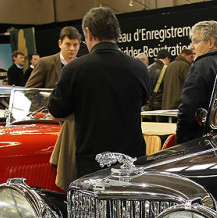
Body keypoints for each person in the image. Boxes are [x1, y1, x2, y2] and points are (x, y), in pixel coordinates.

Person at [49, 7, 149, 179]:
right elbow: (143, 100)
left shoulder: (75, 69)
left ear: (88, 33)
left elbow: (57, 111)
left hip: (92, 163)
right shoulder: (139, 67)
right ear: (117, 33)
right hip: (132, 160)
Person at [176, 21, 217, 143]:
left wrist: (182, 143)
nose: (191, 47)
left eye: (195, 41)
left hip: (201, 143)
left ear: (211, 42)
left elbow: (188, 110)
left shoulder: (200, 66)